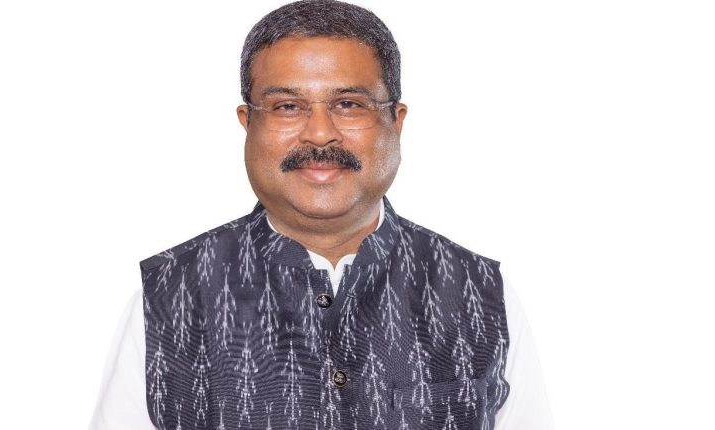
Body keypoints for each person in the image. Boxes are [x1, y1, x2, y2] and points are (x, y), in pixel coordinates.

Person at [90, 1, 554, 429]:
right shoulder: (171, 296)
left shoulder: (479, 292)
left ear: (396, 122)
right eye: (287, 106)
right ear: (248, 123)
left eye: (348, 104)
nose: (318, 134)